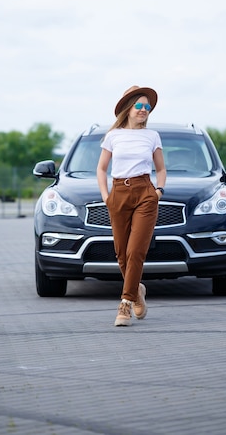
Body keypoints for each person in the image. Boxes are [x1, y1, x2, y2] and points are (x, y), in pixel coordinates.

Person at [97, 85, 167, 327]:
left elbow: (161, 168)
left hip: (145, 193)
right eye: (139, 105)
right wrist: (106, 195)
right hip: (118, 193)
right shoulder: (113, 136)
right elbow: (101, 168)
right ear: (128, 108)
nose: (144, 110)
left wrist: (158, 190)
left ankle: (125, 304)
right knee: (121, 253)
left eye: (147, 107)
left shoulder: (152, 136)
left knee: (136, 251)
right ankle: (138, 291)